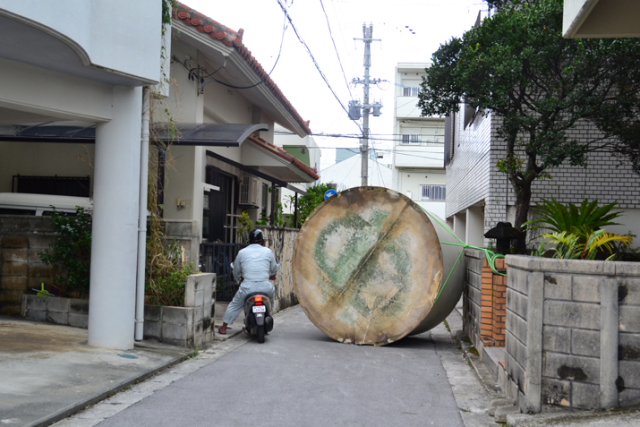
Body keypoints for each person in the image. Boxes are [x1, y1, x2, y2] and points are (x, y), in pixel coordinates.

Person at [217, 229, 279, 335]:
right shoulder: (268, 252)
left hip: (247, 287)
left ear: (249, 241)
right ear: (261, 241)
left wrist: (238, 279)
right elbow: (274, 269)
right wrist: (272, 276)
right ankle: (269, 314)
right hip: (265, 287)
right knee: (271, 297)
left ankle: (223, 327)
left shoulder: (242, 252)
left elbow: (236, 270)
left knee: (235, 305)